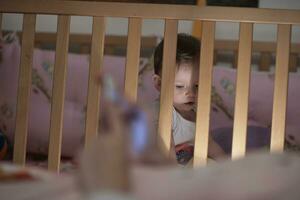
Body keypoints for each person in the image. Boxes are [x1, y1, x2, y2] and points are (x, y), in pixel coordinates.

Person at [151, 33, 225, 164]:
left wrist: (228, 166)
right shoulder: (162, 112)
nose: (190, 93)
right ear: (159, 84)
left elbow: (209, 144)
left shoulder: (196, 113)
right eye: (180, 86)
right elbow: (166, 150)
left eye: (197, 86)